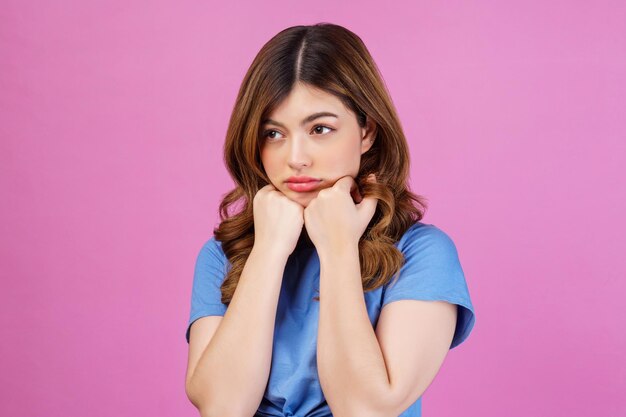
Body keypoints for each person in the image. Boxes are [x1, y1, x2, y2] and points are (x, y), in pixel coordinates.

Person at [184, 22, 476, 417]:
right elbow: (221, 408)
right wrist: (269, 250)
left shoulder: (422, 254)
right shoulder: (225, 254)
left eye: (320, 128)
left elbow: (365, 410)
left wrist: (338, 247)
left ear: (367, 132)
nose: (296, 157)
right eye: (273, 133)